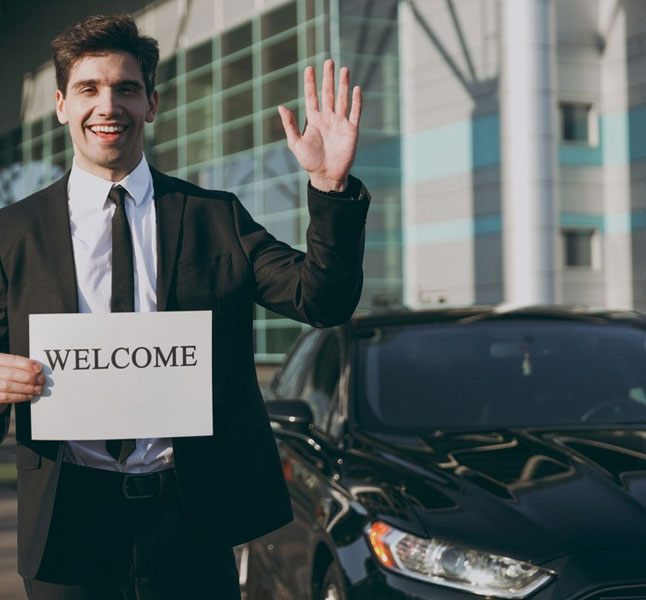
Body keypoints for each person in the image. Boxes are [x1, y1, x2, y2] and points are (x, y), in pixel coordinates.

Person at [0, 13, 369, 600]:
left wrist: (328, 189)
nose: (107, 105)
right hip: (68, 522)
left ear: (151, 102)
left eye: (125, 88)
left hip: (190, 519)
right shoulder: (12, 233)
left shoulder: (214, 217)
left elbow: (320, 300)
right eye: (89, 89)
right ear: (61, 105)